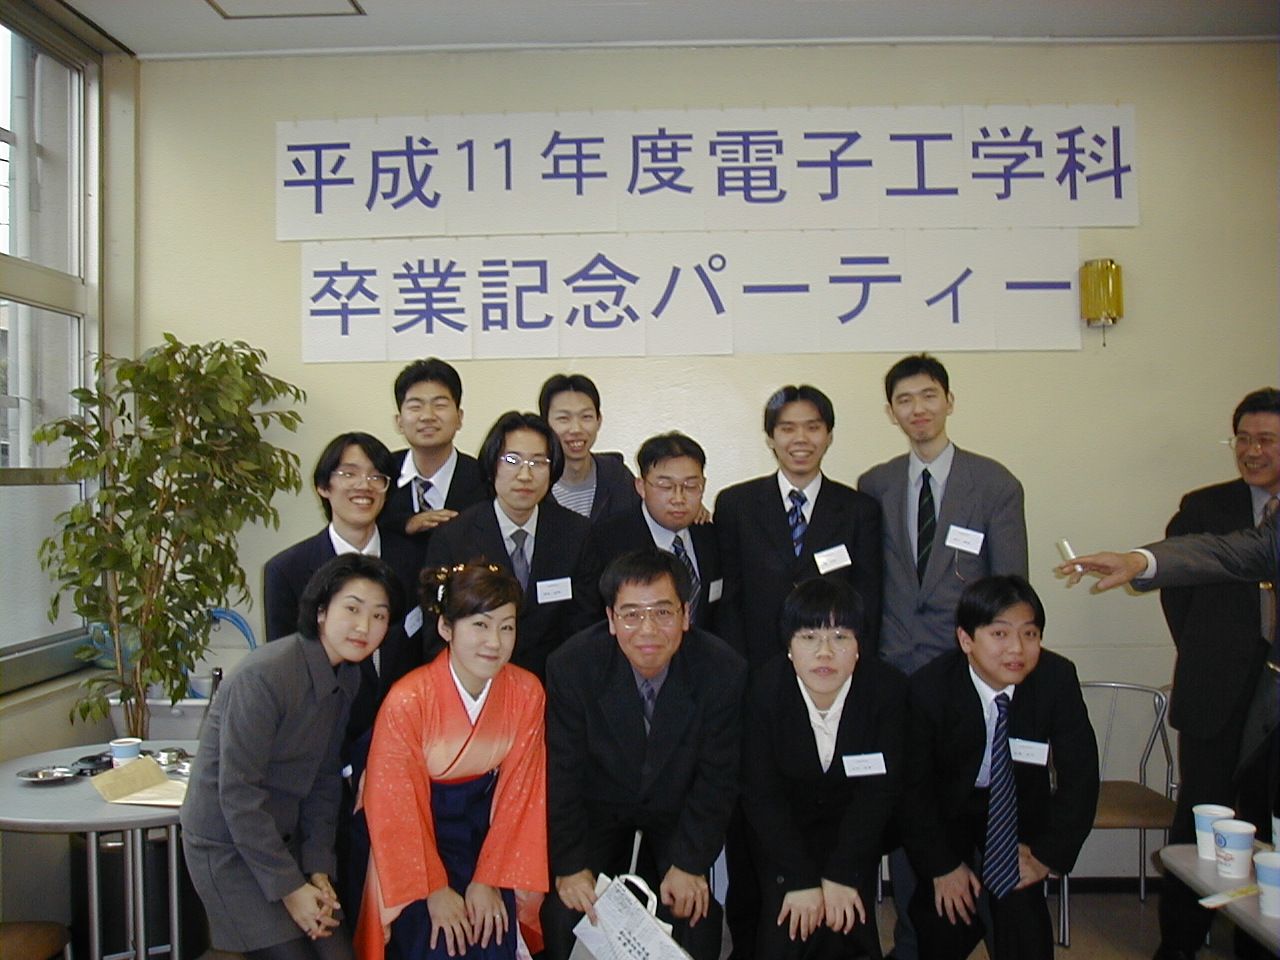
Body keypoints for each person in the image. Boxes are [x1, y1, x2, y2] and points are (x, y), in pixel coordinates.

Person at [1059, 422, 1280, 960]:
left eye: (1268, 439)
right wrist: (1140, 561)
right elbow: (1218, 561)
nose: (1253, 450)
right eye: (1244, 438)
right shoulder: (1212, 507)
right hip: (1216, 690)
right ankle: (1181, 942)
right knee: (1200, 819)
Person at [857, 354, 1027, 960]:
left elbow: (1010, 591)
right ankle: (914, 940)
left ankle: (988, 929)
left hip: (965, 681)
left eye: (929, 396)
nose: (918, 409)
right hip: (896, 676)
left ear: (949, 401)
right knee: (911, 809)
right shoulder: (875, 484)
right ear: (891, 412)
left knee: (972, 805)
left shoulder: (995, 483)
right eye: (905, 400)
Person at [714, 383, 881, 959]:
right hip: (758, 687)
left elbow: (869, 601)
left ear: (829, 435)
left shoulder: (858, 509)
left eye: (812, 427)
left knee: (834, 805)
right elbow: (728, 599)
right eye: (787, 428)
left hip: (832, 684)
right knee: (752, 821)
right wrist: (744, 678)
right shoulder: (737, 504)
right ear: (770, 438)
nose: (800, 438)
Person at [182, 553, 403, 960]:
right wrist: (290, 888)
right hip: (230, 847)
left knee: (338, 954)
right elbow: (238, 795)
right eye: (352, 609)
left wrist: (318, 869)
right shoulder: (264, 676)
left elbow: (325, 778)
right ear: (321, 611)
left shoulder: (347, 675)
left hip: (287, 842)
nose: (364, 627)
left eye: (379, 616)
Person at [541, 548, 747, 960]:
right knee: (567, 913)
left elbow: (718, 779)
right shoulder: (572, 666)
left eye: (663, 612)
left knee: (696, 915)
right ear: (611, 619)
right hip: (598, 812)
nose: (648, 629)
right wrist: (571, 866)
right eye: (632, 614)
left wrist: (689, 864)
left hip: (676, 814)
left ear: (686, 615)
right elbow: (563, 774)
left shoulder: (722, 670)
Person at [355, 562, 547, 960]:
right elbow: (395, 806)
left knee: (492, 934)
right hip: (416, 846)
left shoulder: (526, 691)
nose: (494, 641)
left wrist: (488, 879)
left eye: (507, 627)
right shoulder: (408, 699)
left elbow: (521, 795)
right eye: (480, 625)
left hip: (488, 842)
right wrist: (435, 889)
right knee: (435, 942)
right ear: (446, 627)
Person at [903, 575, 1098, 960]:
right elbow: (912, 788)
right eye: (1000, 634)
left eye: (1030, 634)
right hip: (949, 812)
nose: (1017, 649)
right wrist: (942, 867)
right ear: (966, 640)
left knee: (1024, 928)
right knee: (943, 923)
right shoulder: (930, 687)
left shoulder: (1056, 678)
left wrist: (1045, 857)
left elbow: (1081, 775)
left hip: (1018, 812)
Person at [742, 578, 906, 960]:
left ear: (859, 645)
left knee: (848, 930)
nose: (825, 652)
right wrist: (800, 879)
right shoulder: (762, 691)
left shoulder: (887, 691)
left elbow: (879, 793)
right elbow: (761, 795)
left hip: (853, 836)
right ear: (788, 646)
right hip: (784, 837)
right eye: (809, 637)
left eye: (840, 637)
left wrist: (843, 874)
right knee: (787, 934)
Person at [263, 432, 425, 724]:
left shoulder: (415, 560)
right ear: (323, 486)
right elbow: (283, 668)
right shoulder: (286, 570)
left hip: (405, 725)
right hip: (322, 730)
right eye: (349, 474)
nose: (364, 485)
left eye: (376, 477)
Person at [425, 411, 600, 678]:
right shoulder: (453, 537)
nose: (525, 475)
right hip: (478, 680)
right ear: (492, 464)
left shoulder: (577, 533)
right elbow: (437, 632)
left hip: (556, 682)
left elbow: (584, 627)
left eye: (538, 462)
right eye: (512, 460)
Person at [586, 431, 723, 629]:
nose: (678, 498)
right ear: (641, 487)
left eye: (691, 486)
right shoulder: (605, 540)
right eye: (665, 486)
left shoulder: (712, 536)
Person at [381, 358, 487, 549]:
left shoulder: (484, 478)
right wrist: (406, 523)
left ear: (459, 418)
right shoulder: (380, 475)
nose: (428, 416)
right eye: (415, 406)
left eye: (440, 405)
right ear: (399, 421)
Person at [538, 373, 640, 523]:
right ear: (545, 424)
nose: (576, 429)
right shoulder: (534, 482)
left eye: (586, 417)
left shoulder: (618, 477)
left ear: (599, 421)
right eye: (563, 418)